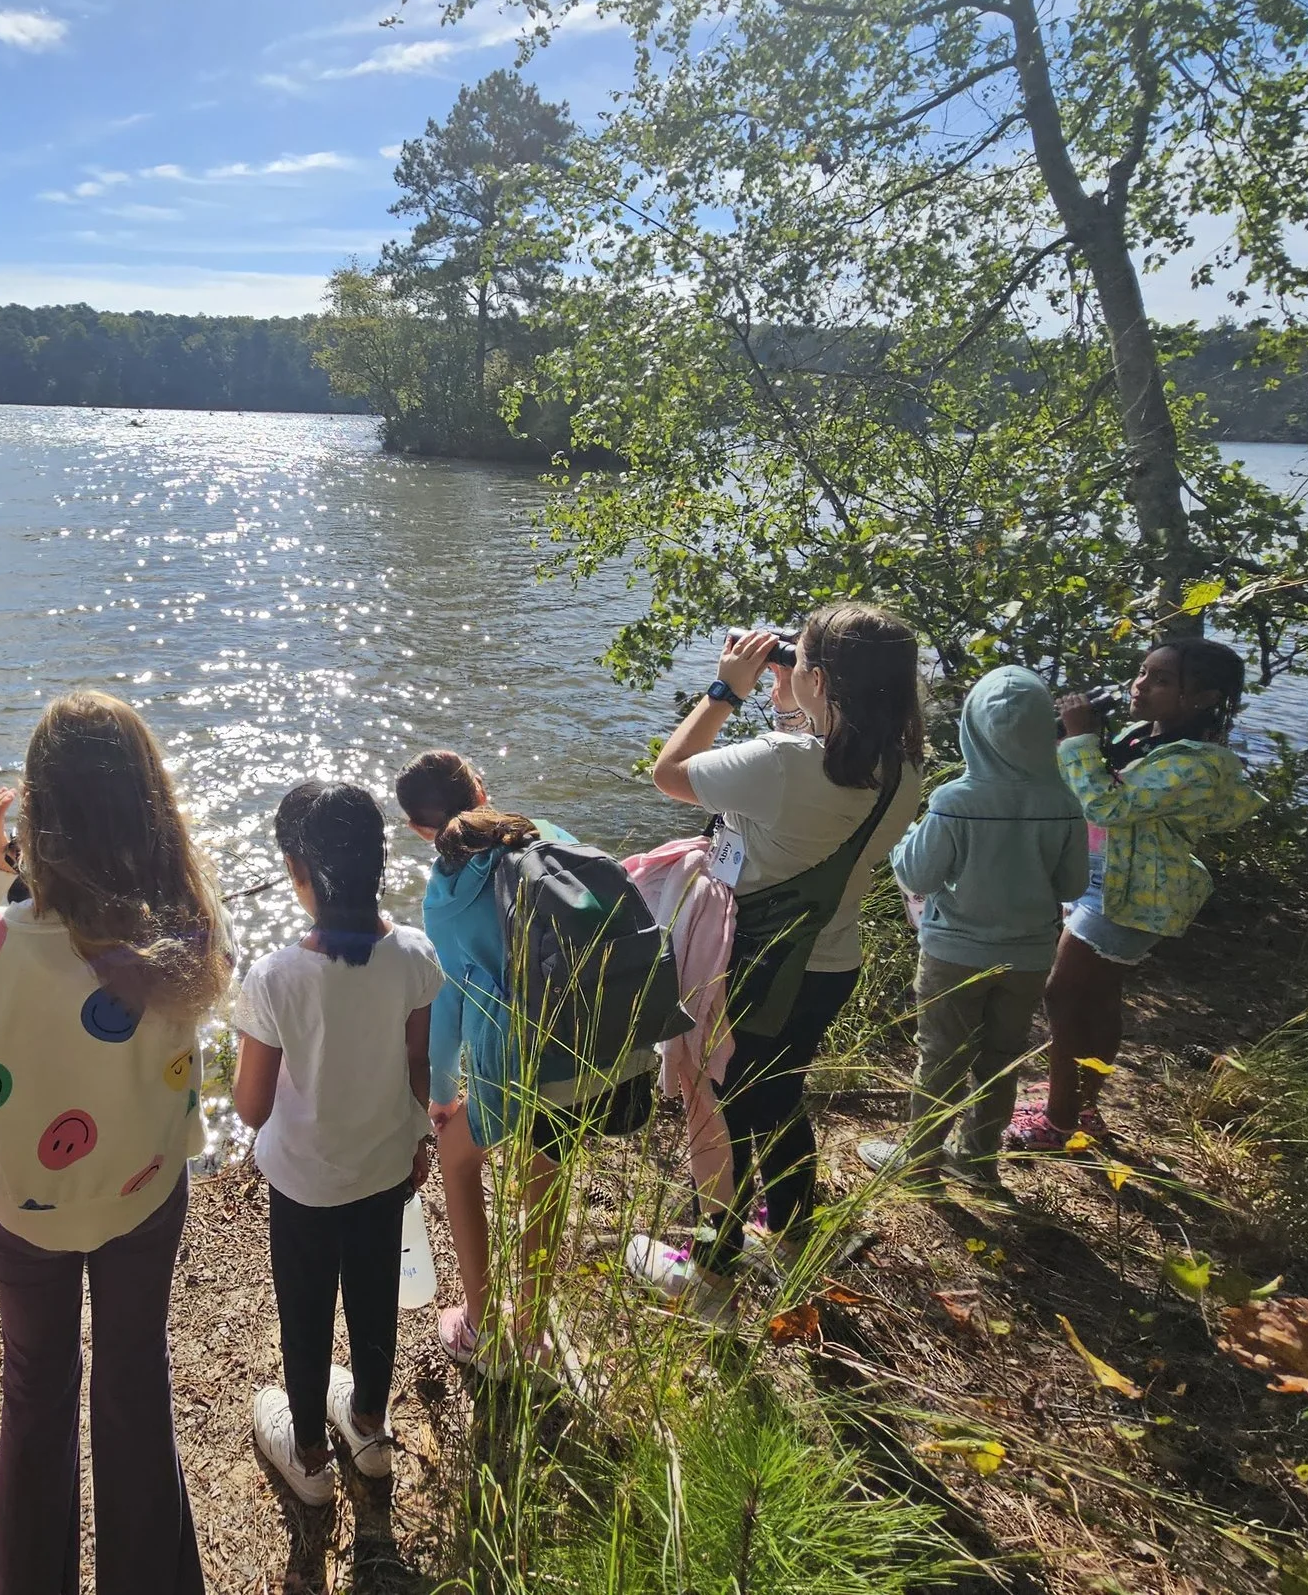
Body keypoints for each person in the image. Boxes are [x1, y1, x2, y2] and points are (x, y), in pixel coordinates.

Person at [0, 692, 221, 1595]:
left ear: (39, 817)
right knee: (133, 1380)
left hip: (23, 1205)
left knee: (36, 1387)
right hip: (145, 1189)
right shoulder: (185, 931)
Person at [646, 606, 925, 1268]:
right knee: (778, 1088)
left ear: (822, 680)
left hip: (755, 964)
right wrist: (793, 698)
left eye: (799, 662)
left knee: (715, 1104)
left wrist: (725, 690)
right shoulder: (903, 767)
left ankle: (713, 1258)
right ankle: (798, 1222)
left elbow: (670, 771)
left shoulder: (780, 764)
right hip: (829, 963)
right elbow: (812, 776)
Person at [231, 781, 440, 1504]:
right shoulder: (415, 953)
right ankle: (369, 1426)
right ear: (378, 864)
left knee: (306, 1306)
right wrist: (419, 1140)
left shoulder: (274, 976)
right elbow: (421, 1068)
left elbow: (251, 1106)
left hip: (304, 1185)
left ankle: (312, 1456)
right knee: (377, 1297)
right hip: (386, 1172)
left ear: (296, 868)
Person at [393, 751, 627, 1367]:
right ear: (482, 790)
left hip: (524, 1059)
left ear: (420, 831)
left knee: (456, 1150)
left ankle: (479, 1325)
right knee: (543, 1170)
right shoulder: (546, 837)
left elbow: (447, 1010)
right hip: (595, 1045)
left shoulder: (445, 896)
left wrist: (441, 1095)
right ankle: (532, 1330)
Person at [1008, 639, 1263, 1150]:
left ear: (1205, 698)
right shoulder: (1141, 737)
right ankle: (1081, 1104)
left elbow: (1108, 806)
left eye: (1163, 680)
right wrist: (1063, 738)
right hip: (1099, 881)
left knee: (1064, 994)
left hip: (1135, 894)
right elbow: (1082, 787)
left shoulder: (1198, 765)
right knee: (1098, 997)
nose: (1141, 685)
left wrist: (1080, 740)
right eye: (1143, 673)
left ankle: (1057, 1123)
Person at [854, 666, 1089, 1186]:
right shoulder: (1064, 802)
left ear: (972, 731)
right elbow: (1073, 887)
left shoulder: (955, 801)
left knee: (940, 1057)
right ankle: (978, 1162)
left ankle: (918, 1163)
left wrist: (904, 834)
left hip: (954, 953)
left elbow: (917, 873)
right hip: (1027, 958)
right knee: (1000, 1059)